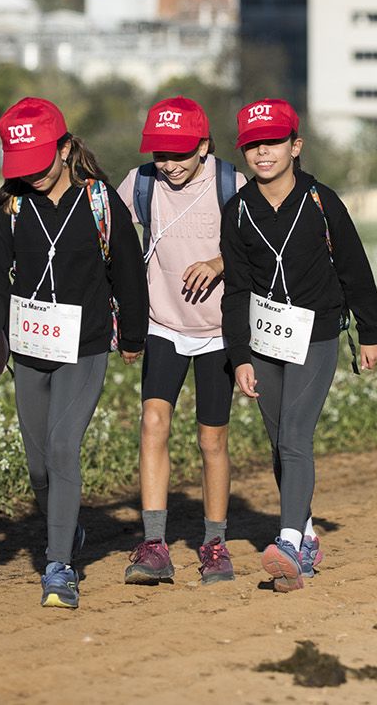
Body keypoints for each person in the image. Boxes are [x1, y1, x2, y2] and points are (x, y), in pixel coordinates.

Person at [0, 98, 148, 610]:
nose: (34, 177)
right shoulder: (11, 207)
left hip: (84, 346)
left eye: (41, 165)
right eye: (21, 169)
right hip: (28, 349)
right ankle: (66, 534)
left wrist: (132, 337)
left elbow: (128, 274)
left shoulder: (100, 202)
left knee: (64, 446)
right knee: (39, 464)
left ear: (67, 149)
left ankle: (58, 566)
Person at [220, 98, 377, 592]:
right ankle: (308, 534)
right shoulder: (238, 210)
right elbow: (236, 290)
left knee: (294, 434)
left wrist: (370, 332)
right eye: (252, 145)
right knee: (280, 441)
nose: (262, 152)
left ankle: (289, 538)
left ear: (296, 146)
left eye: (273, 142)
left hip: (316, 333)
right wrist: (239, 357)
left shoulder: (321, 201)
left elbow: (354, 267)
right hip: (263, 337)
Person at [118, 96, 245, 586]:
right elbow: (104, 227)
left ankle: (214, 543)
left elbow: (255, 250)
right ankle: (154, 544)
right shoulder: (142, 183)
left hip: (217, 333)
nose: (168, 165)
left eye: (179, 154)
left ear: (204, 147)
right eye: (160, 155)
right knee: (154, 423)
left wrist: (217, 265)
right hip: (162, 324)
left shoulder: (230, 184)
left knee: (212, 438)